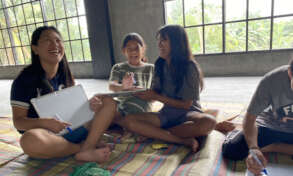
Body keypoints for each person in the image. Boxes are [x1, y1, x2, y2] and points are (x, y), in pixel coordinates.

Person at [10, 26, 116, 163]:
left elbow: (73, 108)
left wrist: (90, 105)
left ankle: (86, 148)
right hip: (47, 137)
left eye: (58, 40)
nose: (55, 45)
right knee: (28, 141)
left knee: (107, 101)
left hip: (74, 128)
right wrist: (45, 123)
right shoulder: (23, 81)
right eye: (47, 40)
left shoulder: (64, 74)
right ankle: (82, 148)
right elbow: (19, 122)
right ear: (35, 48)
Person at [122, 25, 217, 152]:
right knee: (129, 121)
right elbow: (156, 92)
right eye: (159, 41)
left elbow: (186, 105)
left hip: (188, 113)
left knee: (208, 122)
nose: (159, 44)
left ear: (177, 43)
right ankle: (181, 139)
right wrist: (137, 90)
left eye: (164, 40)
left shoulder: (189, 67)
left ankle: (157, 133)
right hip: (166, 114)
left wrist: (155, 96)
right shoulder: (160, 64)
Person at [222, 59, 293, 175]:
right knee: (232, 150)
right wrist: (254, 148)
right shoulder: (272, 80)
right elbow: (250, 118)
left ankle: (272, 147)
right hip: (272, 126)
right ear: (290, 73)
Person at [108, 33, 154, 125]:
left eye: (136, 48)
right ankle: (124, 122)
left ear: (143, 49)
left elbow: (156, 92)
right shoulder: (118, 67)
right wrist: (122, 86)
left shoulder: (152, 68)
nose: (133, 52)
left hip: (142, 103)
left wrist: (143, 92)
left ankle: (123, 122)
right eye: (129, 49)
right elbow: (112, 86)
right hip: (121, 105)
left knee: (137, 105)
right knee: (106, 102)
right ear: (124, 51)